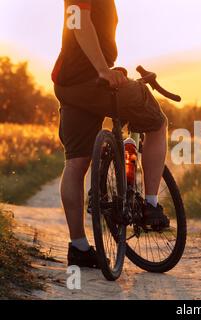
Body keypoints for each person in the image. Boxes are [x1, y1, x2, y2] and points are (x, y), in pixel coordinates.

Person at [52, 0, 169, 268]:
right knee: (157, 123)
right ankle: (150, 205)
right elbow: (80, 23)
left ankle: (79, 247)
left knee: (77, 162)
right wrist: (103, 70)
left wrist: (105, 67)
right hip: (93, 81)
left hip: (68, 85)